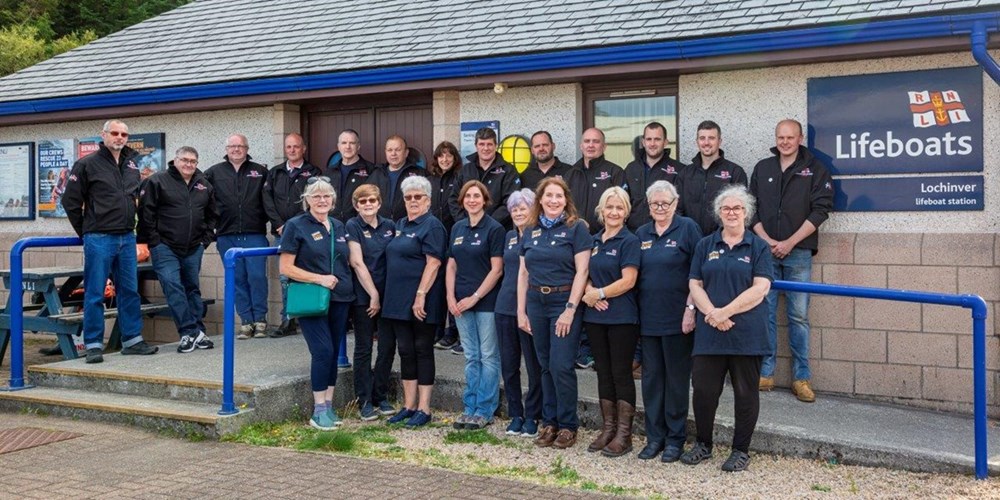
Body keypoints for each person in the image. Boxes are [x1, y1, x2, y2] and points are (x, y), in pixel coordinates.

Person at [681, 185, 773, 472]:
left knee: (746, 394)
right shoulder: (705, 245)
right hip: (710, 331)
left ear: (746, 212)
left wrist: (725, 312)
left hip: (746, 332)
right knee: (705, 391)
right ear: (718, 213)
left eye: (737, 208)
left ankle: (740, 450)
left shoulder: (758, 246)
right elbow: (694, 284)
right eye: (726, 208)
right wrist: (711, 313)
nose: (732, 213)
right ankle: (703, 444)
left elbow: (761, 288)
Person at [750, 119, 834, 402]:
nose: (785, 142)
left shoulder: (815, 169)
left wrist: (790, 242)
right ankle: (765, 373)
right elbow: (751, 210)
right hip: (766, 252)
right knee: (766, 314)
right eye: (780, 137)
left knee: (798, 316)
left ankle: (801, 378)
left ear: (799, 139)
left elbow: (821, 211)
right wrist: (766, 240)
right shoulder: (763, 168)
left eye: (790, 137)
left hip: (797, 253)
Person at [62, 119, 159, 364]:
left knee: (129, 291)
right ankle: (94, 344)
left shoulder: (131, 165)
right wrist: (86, 231)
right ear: (103, 135)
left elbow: (136, 200)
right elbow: (70, 202)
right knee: (95, 292)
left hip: (127, 237)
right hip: (99, 238)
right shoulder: (86, 165)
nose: (119, 137)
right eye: (114, 133)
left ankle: (132, 340)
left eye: (124, 134)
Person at [517, 177, 591, 449]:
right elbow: (523, 273)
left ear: (566, 200)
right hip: (536, 302)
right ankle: (550, 423)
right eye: (548, 195)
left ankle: (569, 425)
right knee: (544, 366)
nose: (553, 200)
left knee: (561, 366)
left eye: (558, 196)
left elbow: (582, 272)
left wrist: (570, 310)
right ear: (540, 199)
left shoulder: (576, 229)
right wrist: (520, 311)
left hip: (563, 301)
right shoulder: (530, 230)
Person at [278, 177, 355, 430]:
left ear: (333, 200)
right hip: (311, 298)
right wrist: (319, 279)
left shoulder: (338, 225)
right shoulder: (295, 225)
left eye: (326, 196)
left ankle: (329, 407)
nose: (322, 200)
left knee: (333, 352)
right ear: (307, 200)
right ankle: (318, 409)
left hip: (339, 298)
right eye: (316, 196)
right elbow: (286, 267)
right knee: (322, 351)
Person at [634, 180, 702, 462]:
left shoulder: (688, 228)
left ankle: (675, 439)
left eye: (666, 203)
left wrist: (691, 309)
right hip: (648, 319)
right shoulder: (641, 233)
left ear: (676, 204)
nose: (660, 208)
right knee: (651, 381)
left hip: (679, 319)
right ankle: (654, 437)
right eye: (655, 204)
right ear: (648, 207)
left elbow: (698, 273)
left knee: (675, 381)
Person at [579, 186, 641, 458]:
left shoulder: (630, 241)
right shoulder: (592, 241)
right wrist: (589, 293)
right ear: (601, 211)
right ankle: (607, 429)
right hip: (595, 316)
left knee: (621, 373)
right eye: (609, 207)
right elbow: (583, 273)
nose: (614, 212)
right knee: (602, 371)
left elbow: (629, 280)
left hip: (622, 318)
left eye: (619, 207)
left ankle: (624, 435)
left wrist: (600, 293)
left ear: (626, 212)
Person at [138, 146, 218, 353]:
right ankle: (189, 332)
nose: (188, 164)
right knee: (173, 286)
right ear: (175, 160)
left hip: (193, 247)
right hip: (164, 247)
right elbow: (146, 213)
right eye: (184, 160)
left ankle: (196, 333)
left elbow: (213, 215)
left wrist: (204, 241)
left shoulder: (204, 185)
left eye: (193, 161)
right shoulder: (157, 181)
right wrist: (153, 241)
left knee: (192, 288)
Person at [382, 176, 447, 427]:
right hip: (397, 299)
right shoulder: (399, 224)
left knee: (422, 349)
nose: (412, 201)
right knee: (405, 351)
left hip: (422, 299)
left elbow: (434, 263)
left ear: (428, 201)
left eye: (417, 197)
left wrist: (420, 295)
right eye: (408, 197)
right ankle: (408, 405)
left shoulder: (432, 226)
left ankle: (424, 408)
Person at [447, 180, 505, 430]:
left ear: (484, 200)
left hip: (485, 302)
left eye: (476, 196)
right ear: (462, 200)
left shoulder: (494, 229)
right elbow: (451, 264)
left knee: (489, 356)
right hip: (459, 302)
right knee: (471, 356)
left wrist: (476, 297)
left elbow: (497, 270)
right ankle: (469, 408)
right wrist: (450, 297)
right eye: (468, 196)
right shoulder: (458, 228)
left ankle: (485, 409)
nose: (472, 200)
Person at [204, 134, 270, 339]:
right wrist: (210, 226)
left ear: (247, 148)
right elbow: (201, 199)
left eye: (240, 146)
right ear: (226, 148)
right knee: (237, 279)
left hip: (254, 234)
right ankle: (246, 322)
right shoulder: (213, 172)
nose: (236, 149)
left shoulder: (260, 171)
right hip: (227, 235)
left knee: (257, 277)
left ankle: (260, 320)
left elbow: (271, 200)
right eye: (232, 146)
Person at [345, 184, 397, 420]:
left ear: (379, 203)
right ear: (357, 205)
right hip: (364, 296)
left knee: (387, 347)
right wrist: (373, 294)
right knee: (364, 348)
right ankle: (364, 400)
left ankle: (380, 395)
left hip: (389, 295)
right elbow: (357, 262)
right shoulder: (353, 225)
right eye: (363, 201)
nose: (368, 205)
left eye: (372, 201)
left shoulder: (390, 226)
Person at [263, 133, 323, 337]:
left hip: (306, 233)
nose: (292, 150)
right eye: (288, 147)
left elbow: (313, 201)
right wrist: (279, 224)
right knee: (285, 277)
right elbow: (267, 201)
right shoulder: (275, 173)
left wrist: (292, 225)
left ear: (303, 148)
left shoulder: (313, 172)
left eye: (296, 146)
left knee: (307, 274)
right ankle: (287, 320)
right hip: (282, 233)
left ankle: (308, 317)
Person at [494, 188, 542, 438]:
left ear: (533, 210)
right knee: (510, 365)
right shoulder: (508, 237)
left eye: (523, 208)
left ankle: (533, 414)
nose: (518, 212)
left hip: (532, 309)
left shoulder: (539, 236)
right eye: (514, 209)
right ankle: (516, 413)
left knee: (534, 366)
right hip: (504, 307)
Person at [675, 120, 748, 236]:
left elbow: (740, 211)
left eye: (711, 138)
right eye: (702, 138)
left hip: (722, 241)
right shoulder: (685, 174)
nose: (706, 142)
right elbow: (677, 209)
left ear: (720, 141)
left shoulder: (735, 172)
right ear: (697, 142)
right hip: (689, 240)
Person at [449, 127, 521, 229]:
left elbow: (510, 202)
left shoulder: (508, 171)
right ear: (476, 146)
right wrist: (465, 222)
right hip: (468, 229)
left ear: (496, 146)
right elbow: (454, 199)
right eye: (482, 144)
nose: (485, 148)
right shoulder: (465, 170)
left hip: (497, 229)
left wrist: (487, 224)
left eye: (489, 144)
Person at [428, 141, 462, 352]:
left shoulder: (459, 177)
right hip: (433, 239)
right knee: (435, 286)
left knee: (453, 284)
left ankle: (453, 332)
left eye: (449, 155)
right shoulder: (429, 180)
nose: (445, 159)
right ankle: (437, 329)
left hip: (453, 237)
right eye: (441, 156)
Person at [624, 122, 686, 231]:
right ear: (643, 142)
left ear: (665, 142)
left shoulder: (679, 170)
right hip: (634, 234)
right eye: (649, 139)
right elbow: (624, 203)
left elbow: (682, 207)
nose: (652, 143)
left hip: (665, 234)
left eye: (657, 139)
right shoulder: (631, 169)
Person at [565, 127, 625, 234]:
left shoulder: (615, 172)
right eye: (587, 141)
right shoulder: (570, 174)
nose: (591, 145)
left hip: (605, 238)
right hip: (574, 237)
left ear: (604, 146)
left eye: (596, 141)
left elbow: (623, 207)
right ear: (581, 146)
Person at [368, 135, 426, 221]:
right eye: (390, 150)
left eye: (398, 150)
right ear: (385, 152)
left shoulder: (418, 174)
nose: (393, 154)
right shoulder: (376, 174)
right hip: (381, 227)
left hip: (409, 227)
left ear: (406, 153)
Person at [326, 129, 375, 221]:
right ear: (338, 146)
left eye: (352, 143)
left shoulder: (371, 170)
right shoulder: (330, 172)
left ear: (358, 146)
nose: (348, 146)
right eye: (344, 143)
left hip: (360, 226)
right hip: (333, 225)